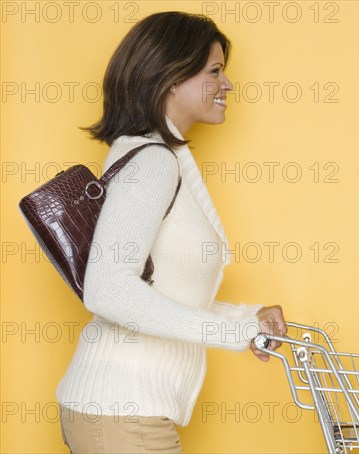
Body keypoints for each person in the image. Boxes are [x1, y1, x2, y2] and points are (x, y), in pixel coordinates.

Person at [55, 11, 287, 453]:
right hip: (123, 416)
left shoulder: (156, 155)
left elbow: (160, 289)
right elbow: (107, 290)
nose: (228, 85)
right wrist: (232, 335)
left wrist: (244, 319)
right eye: (214, 71)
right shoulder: (152, 162)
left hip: (122, 413)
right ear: (171, 77)